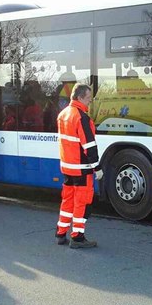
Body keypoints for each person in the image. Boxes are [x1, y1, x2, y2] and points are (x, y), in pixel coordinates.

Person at [55, 83, 102, 249]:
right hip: (82, 169)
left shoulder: (63, 114)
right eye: (88, 98)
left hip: (67, 167)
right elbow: (89, 145)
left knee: (67, 201)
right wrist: (97, 168)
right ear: (80, 97)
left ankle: (61, 234)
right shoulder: (81, 117)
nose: (90, 102)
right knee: (82, 203)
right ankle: (78, 237)